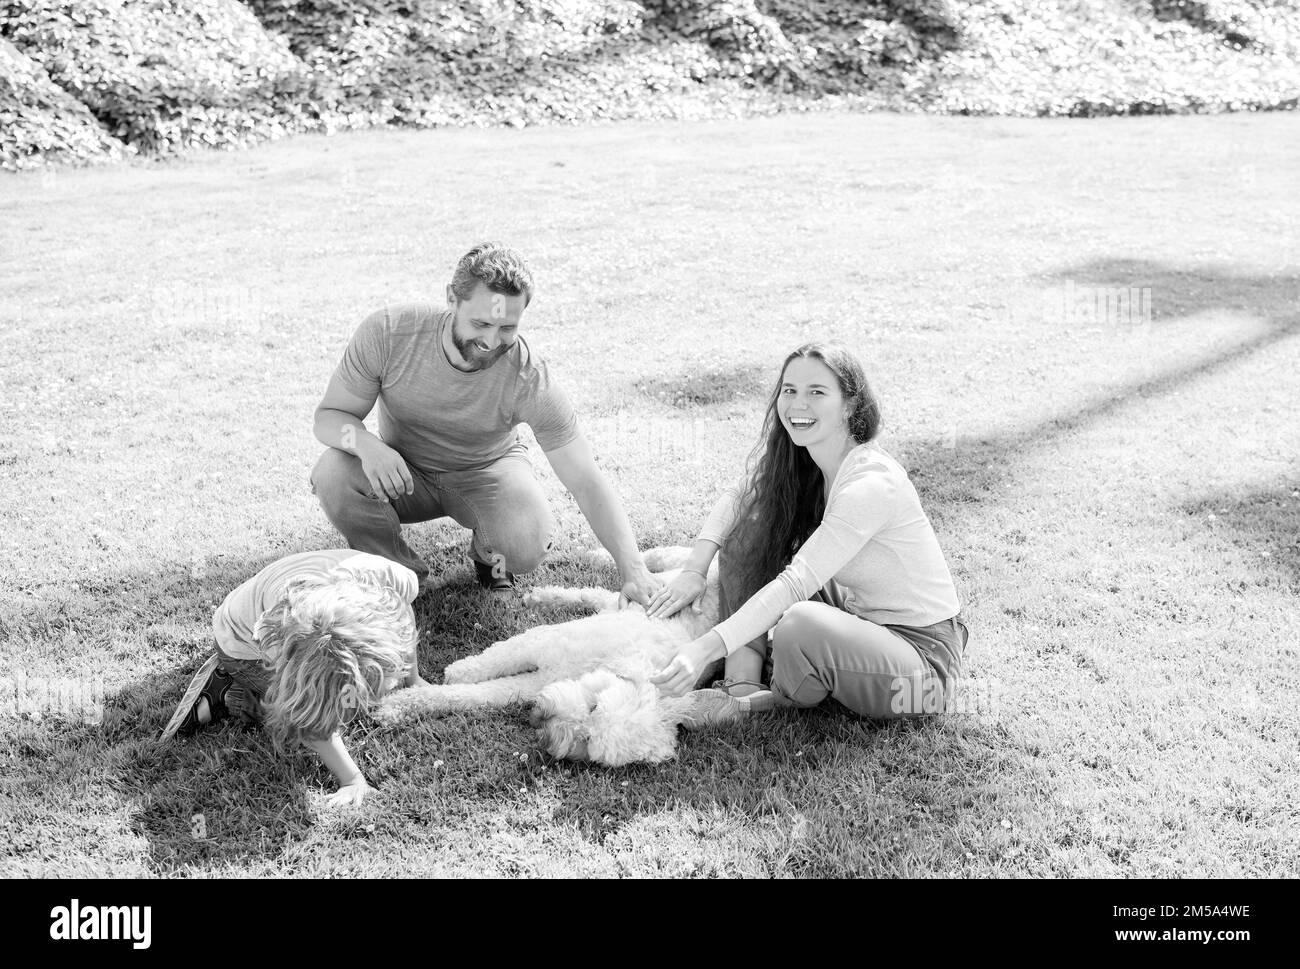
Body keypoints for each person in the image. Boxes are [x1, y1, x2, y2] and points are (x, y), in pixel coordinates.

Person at [310, 242, 661, 604]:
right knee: (334, 473)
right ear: (452, 299)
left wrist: (633, 570)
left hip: (487, 471)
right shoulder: (388, 333)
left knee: (525, 542)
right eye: (480, 323)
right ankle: (402, 576)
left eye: (507, 327)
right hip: (403, 471)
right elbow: (330, 417)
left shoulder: (529, 377)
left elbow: (586, 479)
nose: (491, 342)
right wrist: (366, 445)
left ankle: (489, 560)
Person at [648, 342, 968, 722]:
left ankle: (761, 701)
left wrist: (700, 650)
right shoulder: (809, 460)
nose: (798, 404)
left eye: (816, 392)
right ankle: (742, 679)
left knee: (800, 623)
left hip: (922, 675)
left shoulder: (870, 483)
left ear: (849, 404)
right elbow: (739, 499)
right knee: (751, 532)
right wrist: (693, 570)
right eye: (790, 390)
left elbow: (797, 583)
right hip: (864, 622)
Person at [160, 549, 429, 807]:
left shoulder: (389, 580)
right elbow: (306, 710)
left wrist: (413, 679)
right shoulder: (281, 636)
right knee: (294, 709)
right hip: (241, 642)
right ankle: (234, 691)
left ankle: (246, 689)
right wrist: (352, 779)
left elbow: (403, 617)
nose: (377, 696)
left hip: (294, 602)